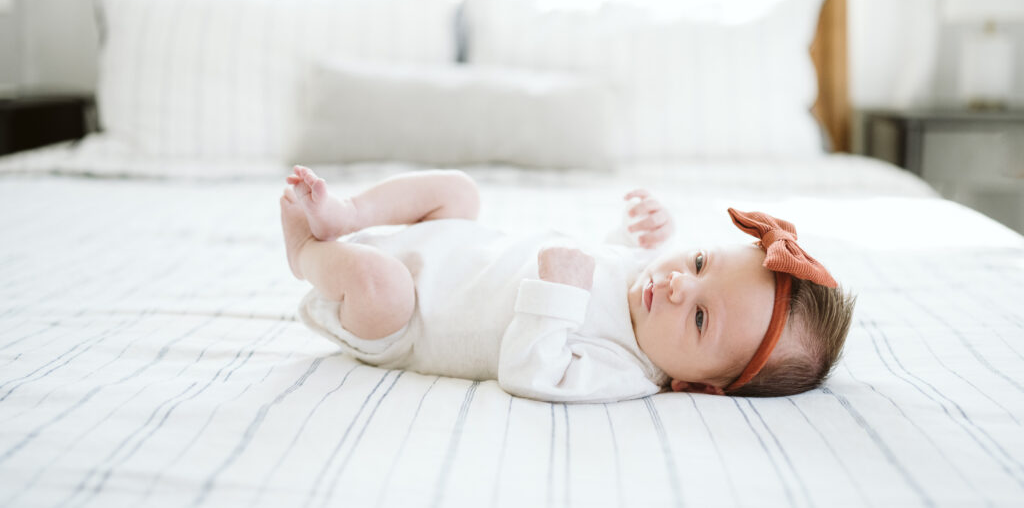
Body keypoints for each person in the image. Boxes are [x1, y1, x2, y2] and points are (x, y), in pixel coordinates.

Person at [280, 166, 856, 402]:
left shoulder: (627, 370)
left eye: (701, 318)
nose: (679, 284)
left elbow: (531, 374)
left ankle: (307, 252)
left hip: (407, 317)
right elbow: (608, 261)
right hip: (454, 244)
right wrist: (639, 231)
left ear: (696, 386)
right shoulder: (647, 281)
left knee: (381, 288)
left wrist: (558, 295)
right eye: (701, 261)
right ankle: (348, 215)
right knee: (458, 191)